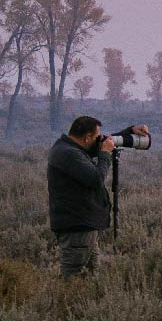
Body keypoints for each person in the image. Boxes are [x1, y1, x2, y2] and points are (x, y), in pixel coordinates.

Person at [47, 115, 118, 276]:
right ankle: (63, 301)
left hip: (82, 226)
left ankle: (81, 300)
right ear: (87, 138)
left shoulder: (67, 148)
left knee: (90, 278)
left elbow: (96, 146)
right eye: (96, 137)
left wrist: (130, 131)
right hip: (77, 229)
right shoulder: (69, 154)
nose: (99, 140)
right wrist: (105, 155)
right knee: (71, 278)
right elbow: (96, 179)